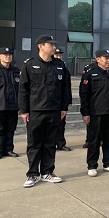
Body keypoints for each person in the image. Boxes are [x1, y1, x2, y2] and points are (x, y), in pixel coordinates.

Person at [19, 35, 71, 188]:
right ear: (40, 46)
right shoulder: (30, 65)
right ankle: (33, 174)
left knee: (50, 143)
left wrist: (63, 107)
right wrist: (24, 111)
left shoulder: (59, 65)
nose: (54, 47)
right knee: (34, 143)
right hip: (36, 110)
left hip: (54, 110)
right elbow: (23, 89)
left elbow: (65, 88)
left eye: (54, 45)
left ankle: (47, 172)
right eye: (50, 45)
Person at [80, 49, 109, 177]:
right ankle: (92, 165)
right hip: (96, 113)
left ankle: (108, 163)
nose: (108, 60)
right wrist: (85, 113)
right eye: (106, 58)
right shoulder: (90, 73)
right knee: (94, 141)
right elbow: (84, 95)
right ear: (98, 59)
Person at [53, 47, 73, 151]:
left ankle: (61, 143)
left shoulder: (63, 67)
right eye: (56, 55)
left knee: (61, 124)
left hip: (61, 101)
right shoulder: (50, 66)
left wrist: (68, 100)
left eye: (60, 55)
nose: (58, 57)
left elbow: (67, 86)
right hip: (51, 100)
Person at [82, 61, 95, 149]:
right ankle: (88, 140)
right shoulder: (89, 69)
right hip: (92, 103)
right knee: (91, 125)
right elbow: (83, 89)